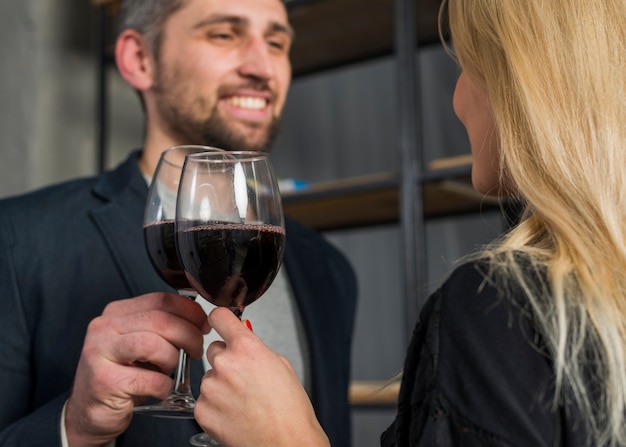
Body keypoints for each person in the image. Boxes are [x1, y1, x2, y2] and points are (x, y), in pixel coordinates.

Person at [192, 0, 626, 445]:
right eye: (224, 35)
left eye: (467, 64)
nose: (457, 99)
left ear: (522, 80)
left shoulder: (502, 306)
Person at [0, 0, 357, 446]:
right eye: (225, 34)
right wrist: (74, 426)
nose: (263, 66)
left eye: (277, 41)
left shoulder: (331, 271)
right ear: (140, 59)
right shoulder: (16, 238)